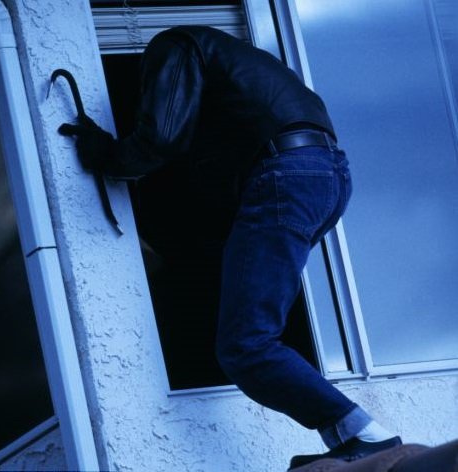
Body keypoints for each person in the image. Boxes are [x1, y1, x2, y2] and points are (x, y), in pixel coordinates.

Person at [59, 25, 401, 466]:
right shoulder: (242, 69)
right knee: (249, 322)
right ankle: (348, 440)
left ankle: (367, 434)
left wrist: (109, 155)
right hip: (326, 177)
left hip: (286, 174)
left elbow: (161, 137)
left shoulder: (174, 45)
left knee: (247, 345)